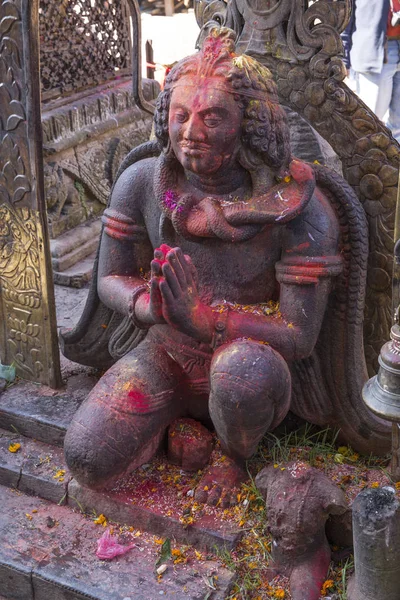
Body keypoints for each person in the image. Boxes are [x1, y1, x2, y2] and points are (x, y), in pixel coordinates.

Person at [63, 28, 390, 506]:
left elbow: (299, 335)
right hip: (166, 351)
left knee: (241, 373)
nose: (191, 133)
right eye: (180, 115)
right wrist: (149, 306)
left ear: (249, 125)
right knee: (88, 457)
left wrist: (206, 319)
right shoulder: (141, 184)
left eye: (212, 117)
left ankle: (232, 453)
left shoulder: (300, 210)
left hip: (248, 361)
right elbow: (110, 277)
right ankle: (178, 420)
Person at [346, 0, 400, 142]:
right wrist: (343, 56)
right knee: (371, 123)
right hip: (373, 51)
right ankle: (367, 162)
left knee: (398, 124)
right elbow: (345, 16)